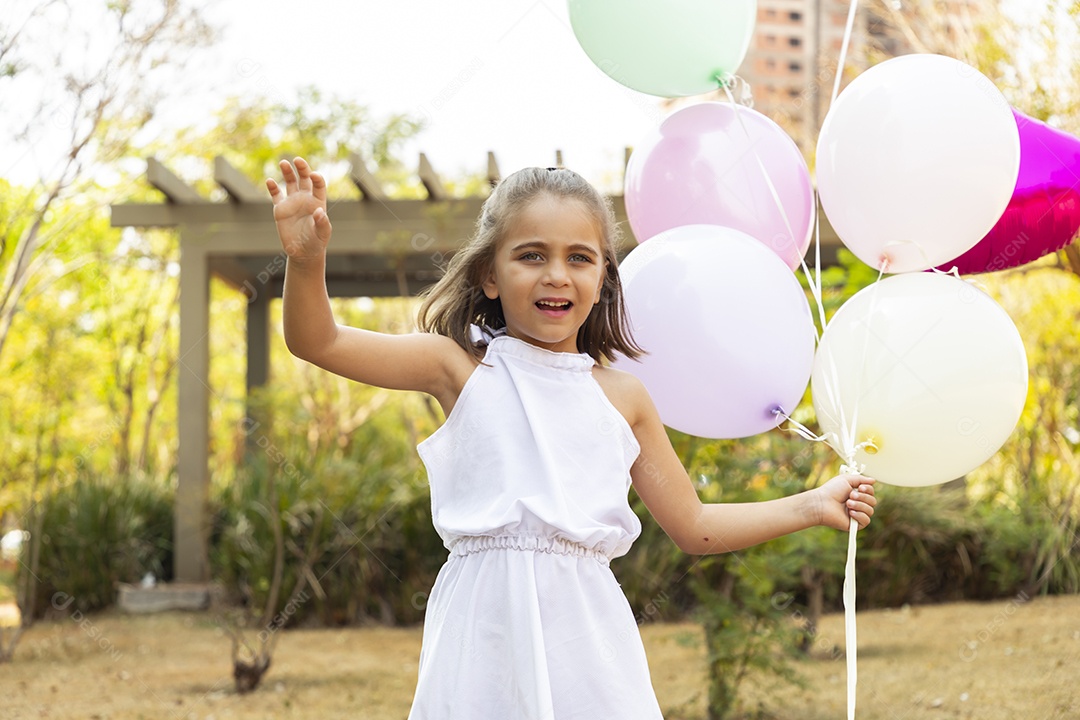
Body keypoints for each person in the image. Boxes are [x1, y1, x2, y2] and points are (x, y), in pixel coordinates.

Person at [266, 157, 877, 720]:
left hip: (587, 645)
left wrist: (812, 505)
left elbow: (694, 526)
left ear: (604, 276)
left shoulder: (624, 398)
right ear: (489, 275)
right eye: (531, 255)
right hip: (483, 638)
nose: (556, 275)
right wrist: (305, 260)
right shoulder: (458, 368)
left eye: (580, 258)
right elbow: (319, 342)